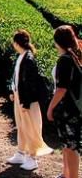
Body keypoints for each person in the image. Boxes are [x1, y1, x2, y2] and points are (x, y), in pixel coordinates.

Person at [6, 29, 52, 171]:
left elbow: (31, 84)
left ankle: (32, 158)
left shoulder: (28, 58)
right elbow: (18, 78)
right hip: (20, 97)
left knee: (31, 128)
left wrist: (25, 102)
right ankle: (21, 153)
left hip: (28, 100)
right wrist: (13, 91)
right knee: (21, 126)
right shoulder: (22, 56)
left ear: (17, 43)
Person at [48, 25, 82, 178]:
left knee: (71, 146)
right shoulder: (73, 56)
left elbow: (62, 89)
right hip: (72, 109)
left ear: (57, 41)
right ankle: (67, 174)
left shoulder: (65, 60)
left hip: (68, 109)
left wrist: (50, 108)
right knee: (68, 145)